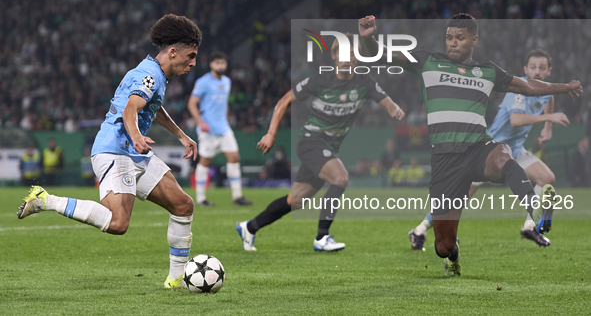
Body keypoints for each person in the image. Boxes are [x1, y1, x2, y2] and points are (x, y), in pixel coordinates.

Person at [360, 14, 582, 275]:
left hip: (478, 149)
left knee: (503, 154)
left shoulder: (487, 71)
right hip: (444, 162)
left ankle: (534, 211)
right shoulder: (427, 60)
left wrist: (562, 87)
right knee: (443, 245)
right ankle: (453, 256)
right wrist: (369, 40)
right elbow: (383, 56)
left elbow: (527, 85)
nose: (452, 43)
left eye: (460, 38)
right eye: (449, 37)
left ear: (474, 40)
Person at [17, 14, 202, 289]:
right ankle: (46, 200)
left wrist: (181, 135)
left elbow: (152, 106)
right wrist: (137, 136)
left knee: (183, 205)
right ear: (172, 52)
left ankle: (175, 281)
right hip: (116, 151)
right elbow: (131, 108)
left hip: (134, 152)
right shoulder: (149, 75)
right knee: (117, 223)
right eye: (191, 55)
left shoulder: (157, 75)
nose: (193, 62)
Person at [236, 32, 405, 252]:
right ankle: (322, 238)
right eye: (342, 52)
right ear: (334, 55)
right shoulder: (319, 80)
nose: (347, 57)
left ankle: (249, 227)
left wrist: (396, 111)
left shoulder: (364, 82)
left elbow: (387, 101)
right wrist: (271, 133)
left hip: (329, 148)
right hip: (311, 142)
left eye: (352, 52)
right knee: (340, 177)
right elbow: (285, 100)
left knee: (295, 200)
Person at [409, 49, 569, 249]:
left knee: (547, 178)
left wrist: (548, 127)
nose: (537, 72)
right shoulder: (519, 92)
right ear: (525, 69)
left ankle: (530, 227)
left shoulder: (545, 93)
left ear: (549, 71)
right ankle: (420, 229)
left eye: (542, 68)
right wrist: (549, 118)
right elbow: (516, 119)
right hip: (489, 152)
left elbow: (549, 101)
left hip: (515, 151)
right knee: (459, 198)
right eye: (533, 67)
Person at [187, 51, 252, 207]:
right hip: (207, 130)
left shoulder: (227, 82)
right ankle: (201, 198)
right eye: (217, 63)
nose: (220, 66)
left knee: (234, 158)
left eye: (223, 63)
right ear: (211, 64)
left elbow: (224, 104)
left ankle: (237, 196)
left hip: (223, 128)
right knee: (205, 162)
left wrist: (227, 118)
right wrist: (200, 122)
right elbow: (191, 103)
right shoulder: (203, 82)